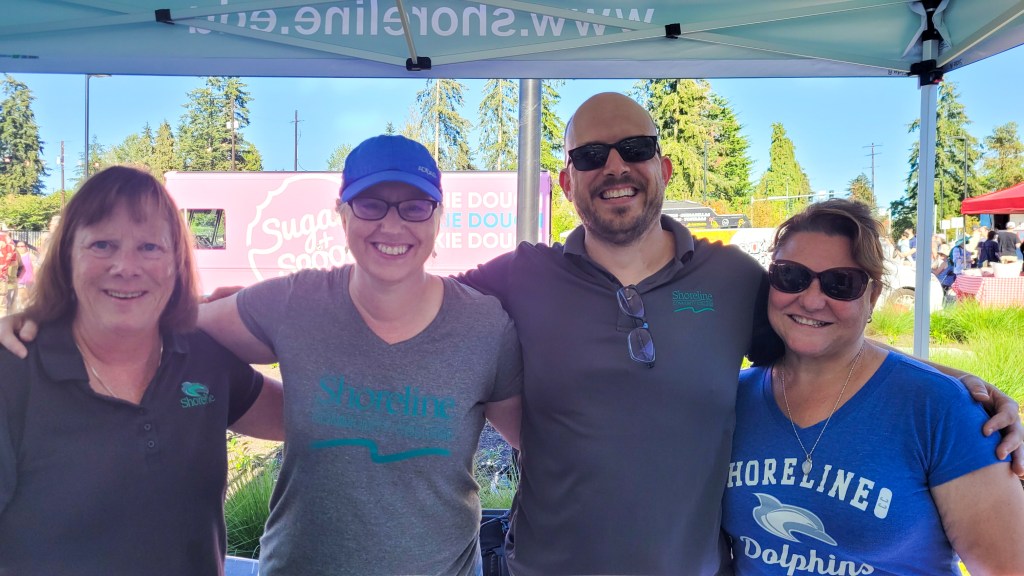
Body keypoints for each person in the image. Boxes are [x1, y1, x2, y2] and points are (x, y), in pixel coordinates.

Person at [457, 93, 1023, 576]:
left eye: (635, 148)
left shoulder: (730, 277)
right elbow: (424, 312)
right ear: (565, 181)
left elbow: (821, 328)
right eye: (590, 155)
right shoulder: (520, 278)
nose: (615, 167)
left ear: (664, 167)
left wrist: (951, 384)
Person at [197, 135, 523, 575]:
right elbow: (177, 327)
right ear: (342, 214)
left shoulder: (485, 328)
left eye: (415, 207)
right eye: (371, 205)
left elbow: (544, 449)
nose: (392, 225)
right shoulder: (296, 302)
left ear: (439, 217)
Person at [0, 166, 284, 575]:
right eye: (102, 245)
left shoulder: (204, 356)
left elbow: (311, 415)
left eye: (150, 247)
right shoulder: (14, 372)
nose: (126, 266)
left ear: (176, 262)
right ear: (67, 257)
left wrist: (276, 322)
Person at [723, 200, 1024, 574]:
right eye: (790, 276)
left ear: (873, 296)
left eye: (841, 283)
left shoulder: (942, 410)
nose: (812, 300)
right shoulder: (731, 400)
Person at [14, 240, 35, 312]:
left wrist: (34, 277)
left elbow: (35, 267)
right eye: (18, 246)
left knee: (28, 298)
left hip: (29, 280)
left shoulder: (30, 256)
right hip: (19, 280)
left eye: (22, 246)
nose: (20, 248)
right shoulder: (15, 256)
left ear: (26, 247)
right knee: (21, 297)